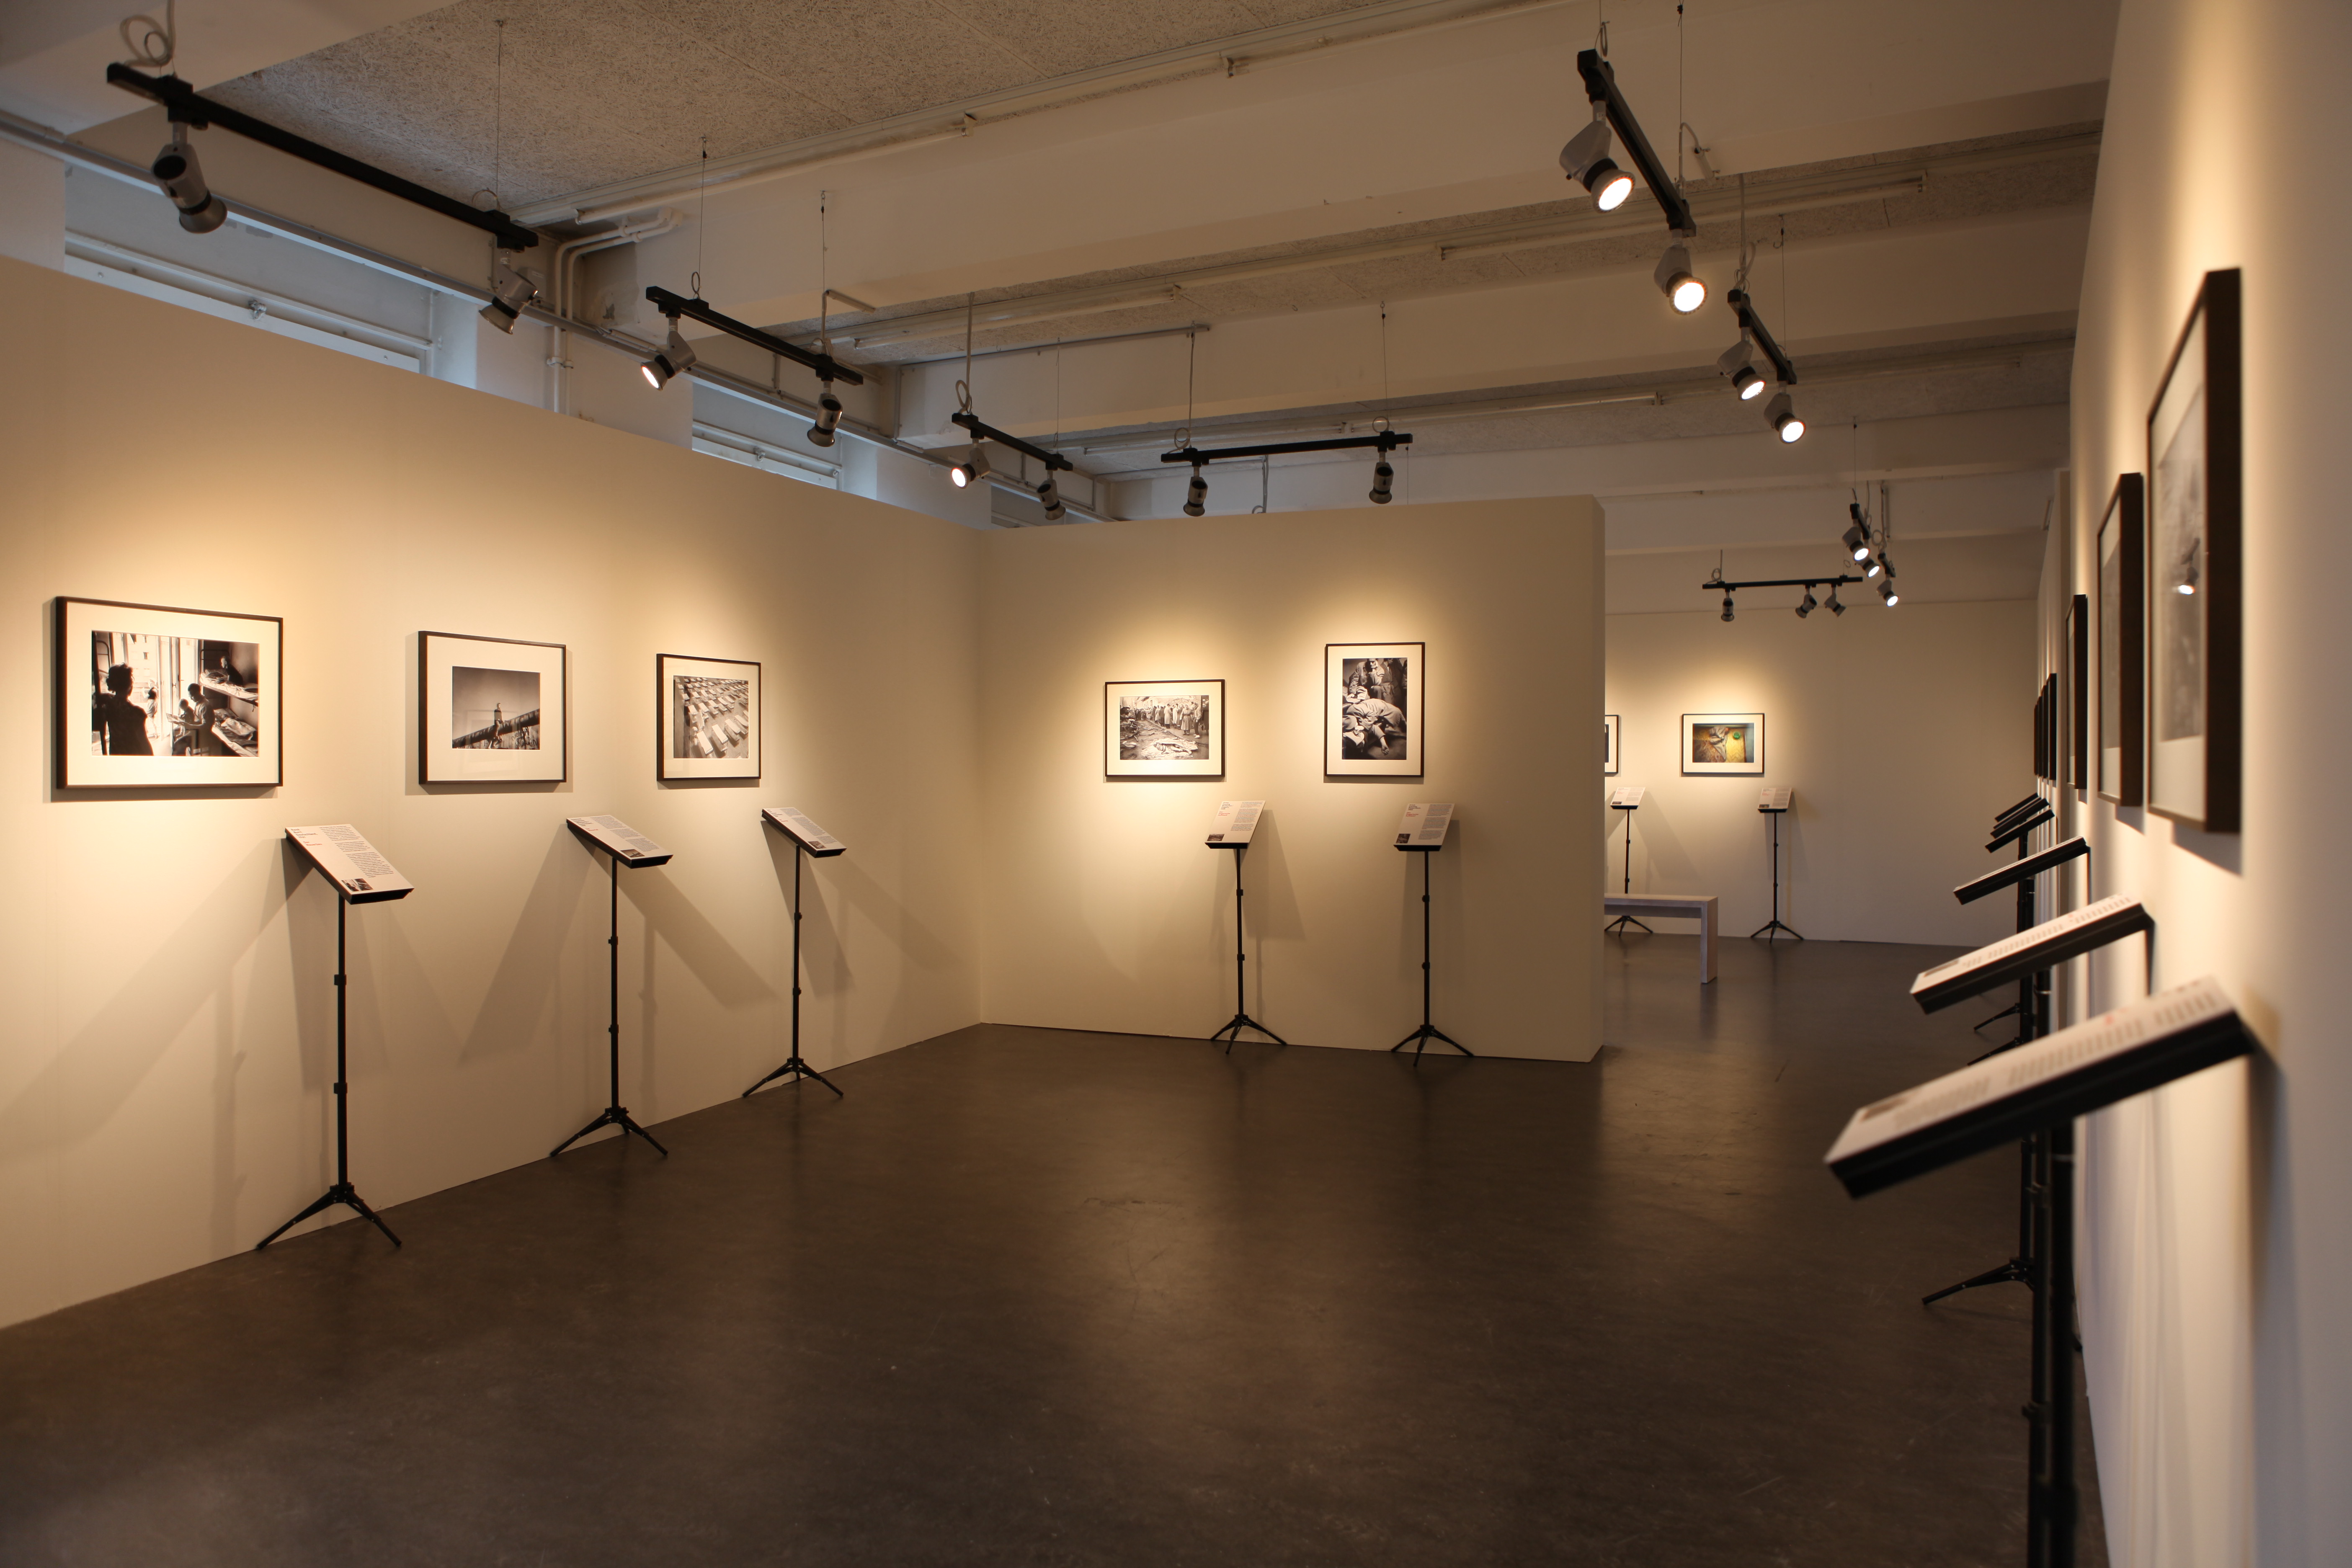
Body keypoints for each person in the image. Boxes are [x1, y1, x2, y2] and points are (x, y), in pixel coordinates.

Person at [93, 664, 153, 755]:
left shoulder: (108, 707)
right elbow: (144, 742)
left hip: (116, 754)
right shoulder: (137, 713)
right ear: (130, 686)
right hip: (135, 754)